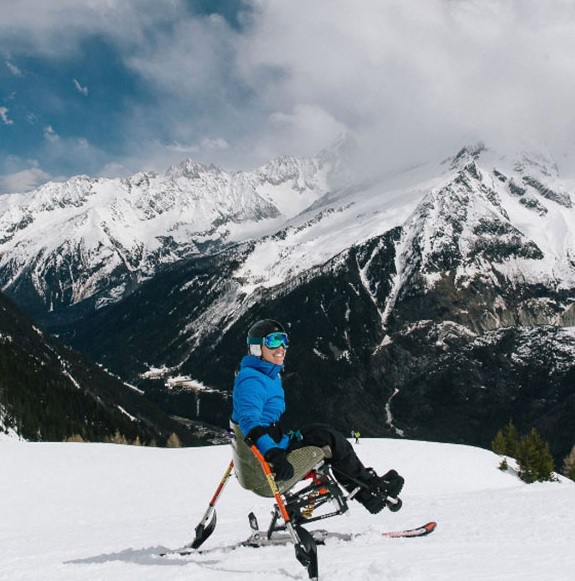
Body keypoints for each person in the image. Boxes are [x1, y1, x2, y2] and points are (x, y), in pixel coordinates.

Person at [231, 319, 404, 514]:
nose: (281, 347)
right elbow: (249, 421)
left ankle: (368, 489)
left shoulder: (265, 374)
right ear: (256, 348)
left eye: (284, 341)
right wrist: (273, 454)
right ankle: (369, 492)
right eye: (272, 342)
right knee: (329, 441)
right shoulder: (252, 380)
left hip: (272, 446)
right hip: (267, 466)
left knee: (322, 431)